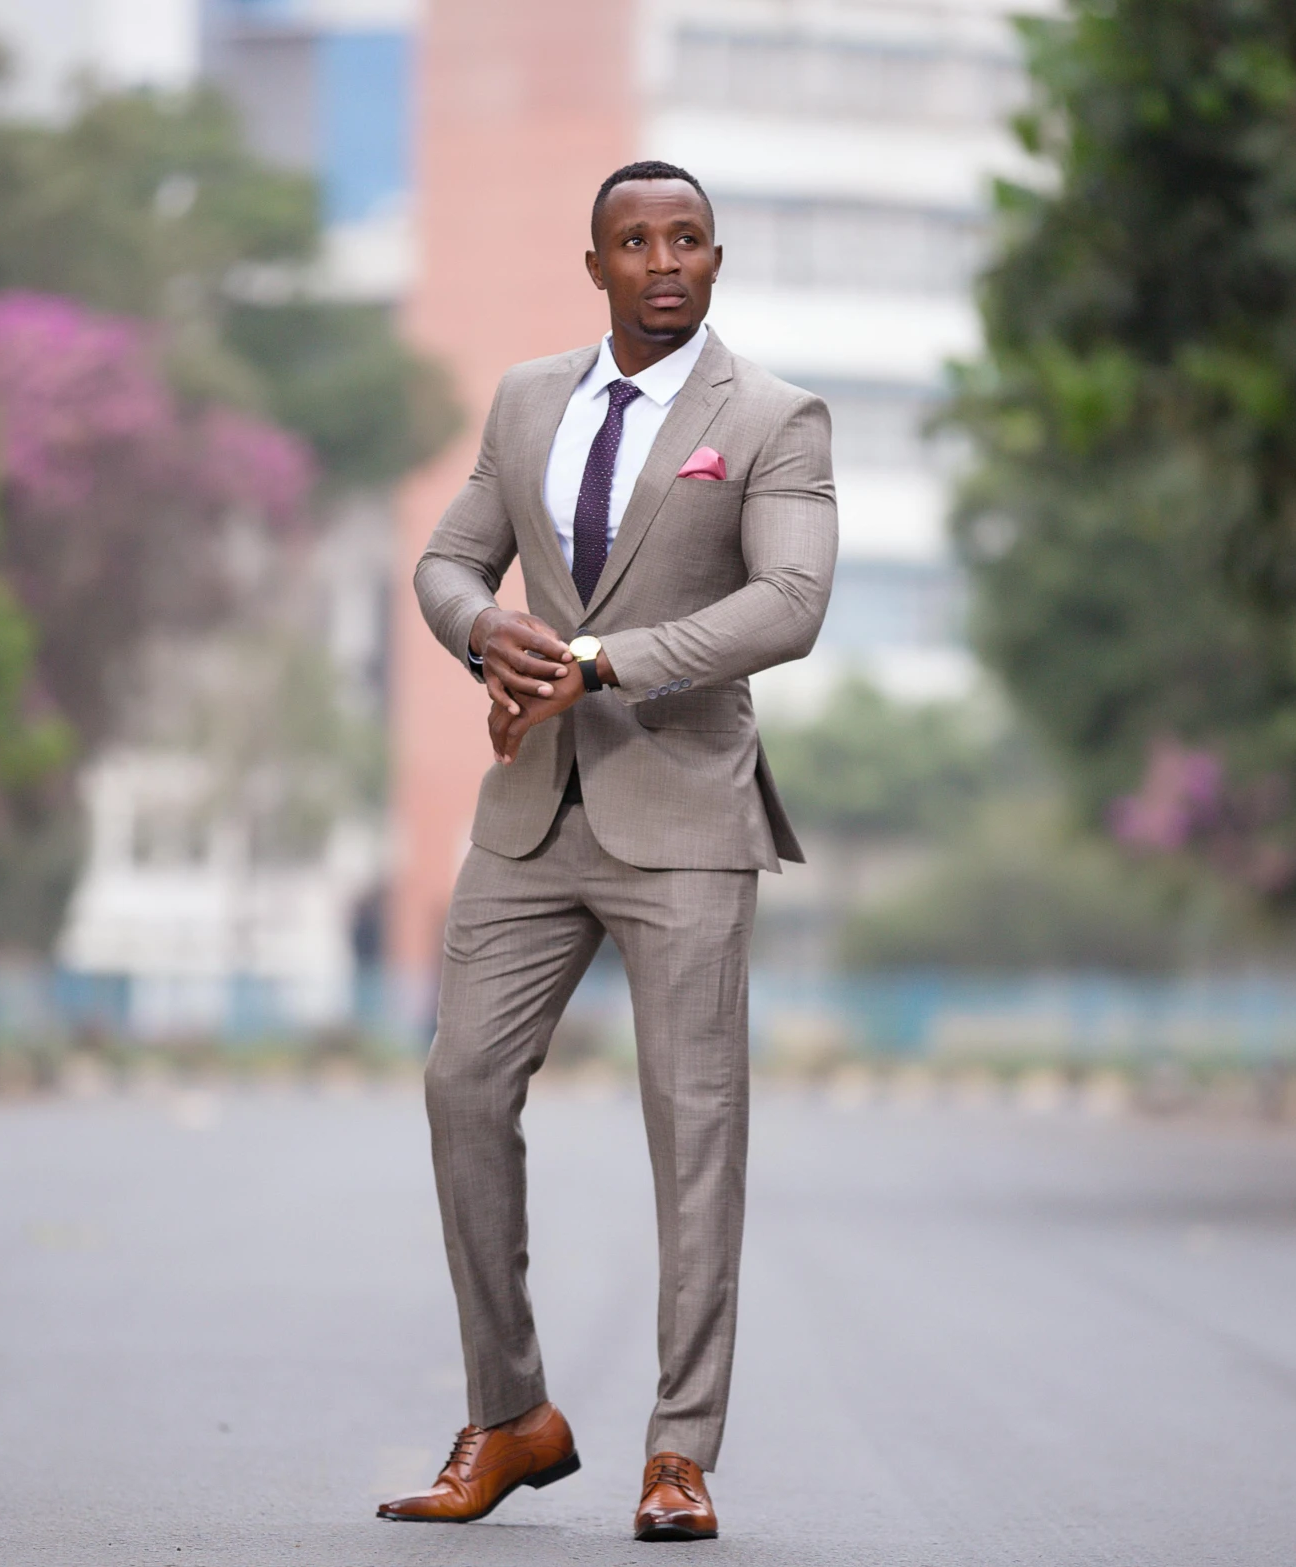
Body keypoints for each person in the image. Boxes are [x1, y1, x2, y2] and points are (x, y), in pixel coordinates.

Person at [378, 160, 835, 1543]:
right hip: (527, 812)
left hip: (686, 812)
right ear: (595, 265)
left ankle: (678, 1451)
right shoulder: (527, 398)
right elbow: (449, 559)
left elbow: (788, 604)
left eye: (685, 238)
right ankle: (509, 1412)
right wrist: (477, 630)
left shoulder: (767, 416)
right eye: (633, 241)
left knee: (692, 1133)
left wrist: (599, 658)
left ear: (713, 257)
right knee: (460, 1085)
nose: (661, 261)